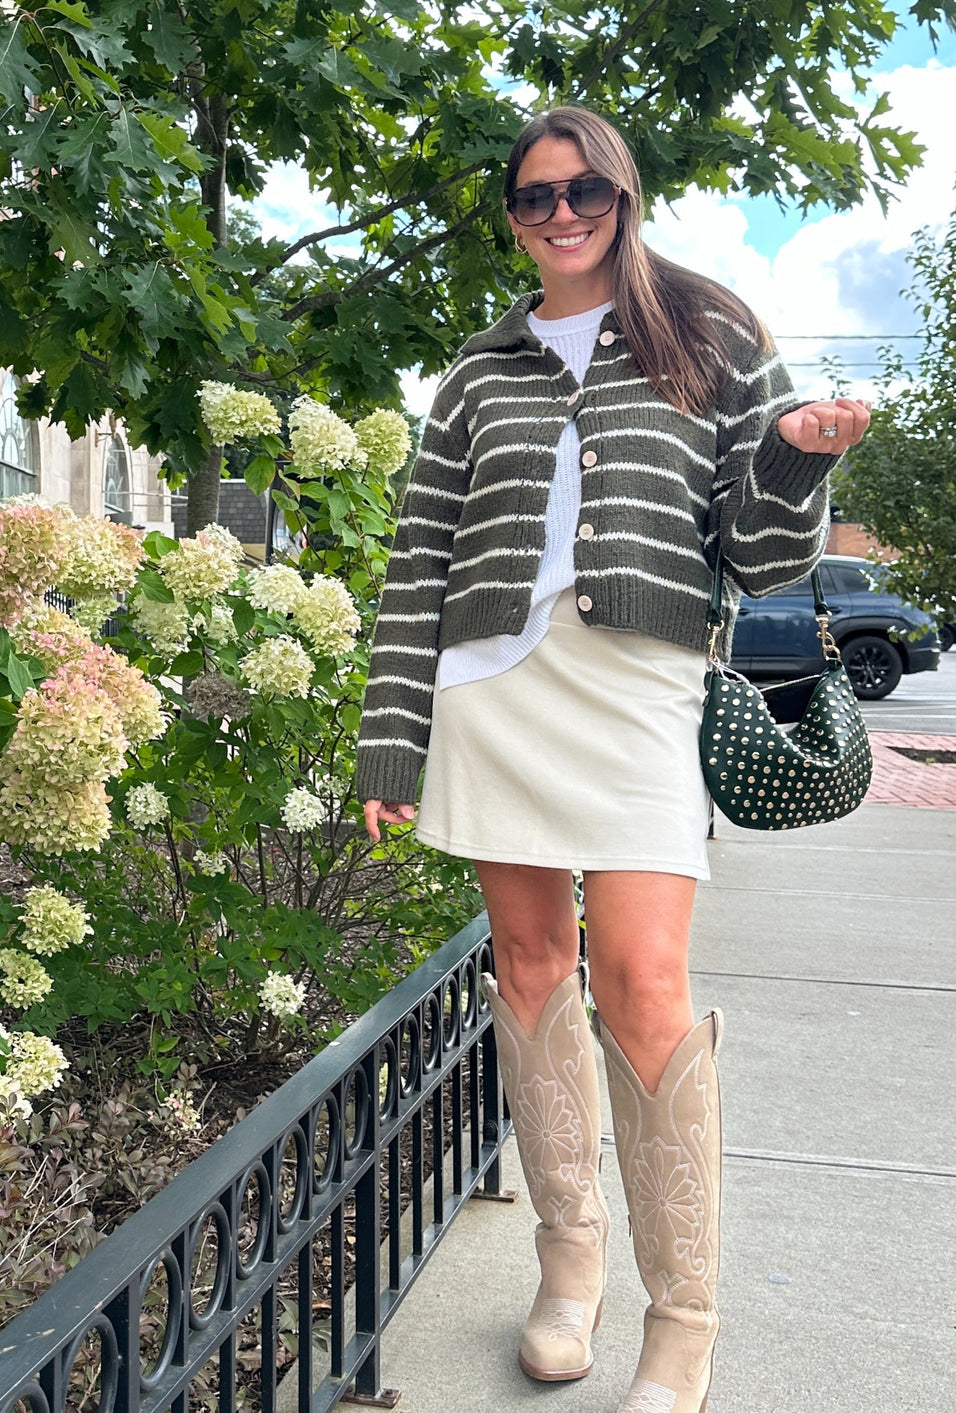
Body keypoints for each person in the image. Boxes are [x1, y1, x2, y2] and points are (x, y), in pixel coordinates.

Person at [355, 106, 869, 1413]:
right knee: (531, 971)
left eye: (584, 188)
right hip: (492, 691)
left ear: (624, 196)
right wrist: (392, 735)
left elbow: (762, 558)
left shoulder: (714, 338)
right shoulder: (478, 371)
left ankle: (682, 1321)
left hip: (640, 688)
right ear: (514, 217)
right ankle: (567, 1262)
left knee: (644, 983)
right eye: (535, 197)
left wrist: (799, 463)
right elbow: (421, 563)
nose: (562, 212)